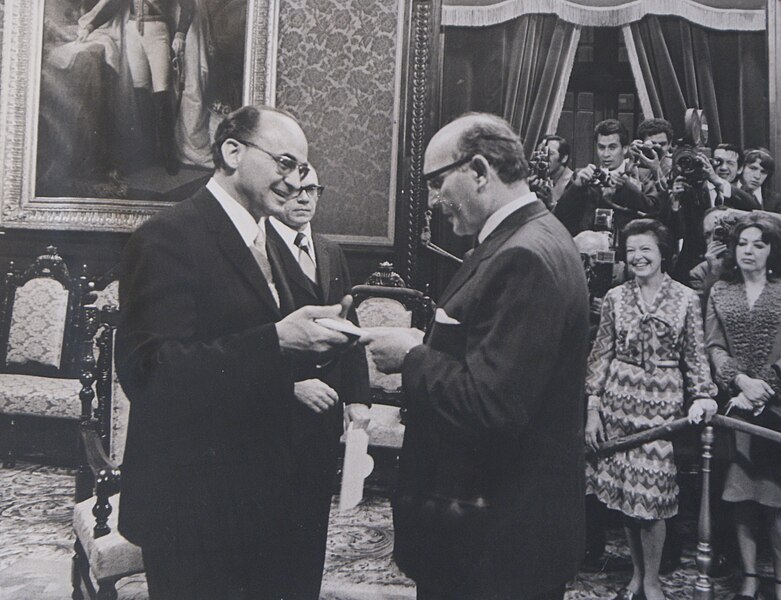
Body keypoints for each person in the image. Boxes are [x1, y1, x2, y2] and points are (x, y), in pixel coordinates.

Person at [115, 105, 354, 600]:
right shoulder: (167, 237)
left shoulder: (272, 240)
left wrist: (324, 341)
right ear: (231, 152)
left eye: (301, 169)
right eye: (284, 163)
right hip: (195, 510)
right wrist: (279, 341)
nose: (295, 181)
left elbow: (261, 355)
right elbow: (150, 372)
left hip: (272, 501)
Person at [361, 112, 591, 600]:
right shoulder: (530, 239)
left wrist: (412, 355)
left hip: (493, 547)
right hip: (493, 534)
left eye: (437, 182)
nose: (432, 200)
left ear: (481, 170)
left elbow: (493, 405)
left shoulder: (522, 256)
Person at [585, 219, 718, 600]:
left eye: (646, 249)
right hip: (618, 406)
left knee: (653, 499)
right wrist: (593, 410)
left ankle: (654, 581)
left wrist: (704, 395)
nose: (638, 257)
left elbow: (694, 356)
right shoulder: (615, 297)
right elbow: (600, 356)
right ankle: (637, 577)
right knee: (628, 495)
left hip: (661, 413)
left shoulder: (685, 299)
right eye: (631, 251)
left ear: (663, 253)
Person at [265, 167, 370, 600]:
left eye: (313, 190)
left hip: (324, 418)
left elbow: (352, 329)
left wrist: (358, 400)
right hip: (275, 415)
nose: (304, 198)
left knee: (312, 522)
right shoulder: (256, 248)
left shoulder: (329, 250)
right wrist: (287, 388)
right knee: (271, 527)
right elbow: (247, 338)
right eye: (294, 190)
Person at [705, 212, 781, 600]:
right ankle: (750, 578)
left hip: (776, 406)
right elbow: (714, 346)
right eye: (743, 244)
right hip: (734, 402)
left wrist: (765, 386)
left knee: (775, 497)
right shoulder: (721, 291)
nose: (749, 251)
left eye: (759, 244)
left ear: (771, 250)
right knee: (741, 494)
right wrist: (739, 381)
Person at [77, 0, 195, 174]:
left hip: (158, 31)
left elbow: (188, 5)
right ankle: (149, 152)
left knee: (162, 92)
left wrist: (180, 34)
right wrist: (90, 26)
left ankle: (168, 154)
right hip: (133, 32)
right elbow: (114, 4)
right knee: (141, 91)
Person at [555, 119, 660, 241]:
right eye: (601, 147)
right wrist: (576, 187)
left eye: (612, 147)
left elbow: (654, 213)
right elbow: (560, 216)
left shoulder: (641, 176)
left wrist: (627, 187)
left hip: (627, 248)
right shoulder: (583, 177)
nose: (606, 154)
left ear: (625, 148)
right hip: (590, 248)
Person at [530, 134, 574, 211]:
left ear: (564, 158)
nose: (543, 159)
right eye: (540, 154)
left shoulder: (573, 183)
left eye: (550, 154)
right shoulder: (533, 180)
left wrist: (551, 202)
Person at [738, 148, 781, 213]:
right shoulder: (727, 191)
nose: (757, 176)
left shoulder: (776, 200)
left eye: (763, 172)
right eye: (753, 168)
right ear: (741, 168)